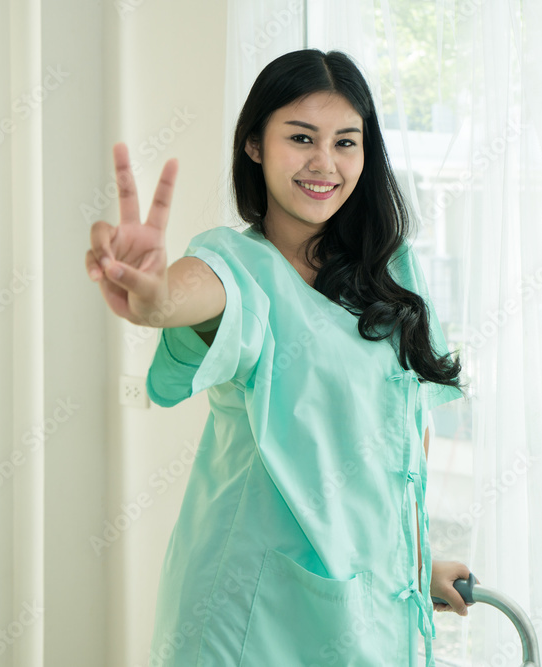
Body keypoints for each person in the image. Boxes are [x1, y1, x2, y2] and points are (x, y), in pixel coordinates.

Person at [85, 49, 475, 666]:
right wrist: (154, 296)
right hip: (246, 619)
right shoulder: (238, 266)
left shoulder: (392, 271)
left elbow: (404, 433)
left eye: (346, 142)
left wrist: (413, 559)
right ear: (255, 146)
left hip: (363, 611)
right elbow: (196, 291)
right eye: (301, 138)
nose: (325, 163)